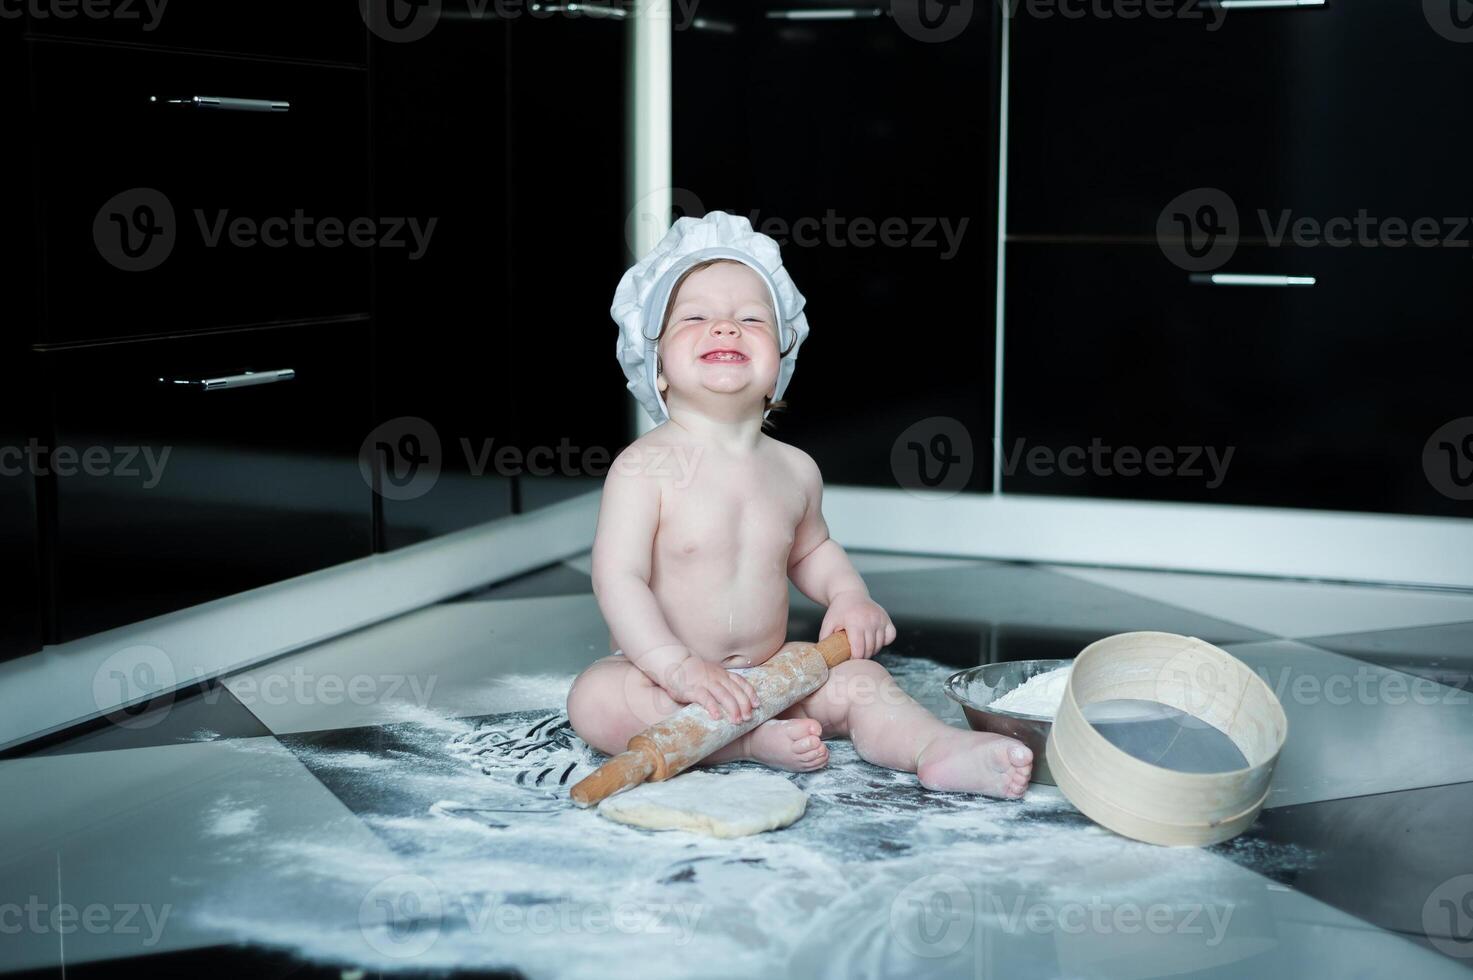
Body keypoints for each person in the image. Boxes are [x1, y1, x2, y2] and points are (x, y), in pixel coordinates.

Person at [565, 212, 1032, 798]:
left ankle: (933, 749)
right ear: (655, 365)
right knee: (595, 698)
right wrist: (675, 667)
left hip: (774, 674)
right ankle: (747, 743)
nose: (726, 328)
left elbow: (812, 550)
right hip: (664, 676)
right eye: (696, 317)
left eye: (750, 318)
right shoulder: (643, 467)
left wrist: (848, 595)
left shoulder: (794, 469)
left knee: (863, 682)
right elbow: (618, 578)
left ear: (778, 369)